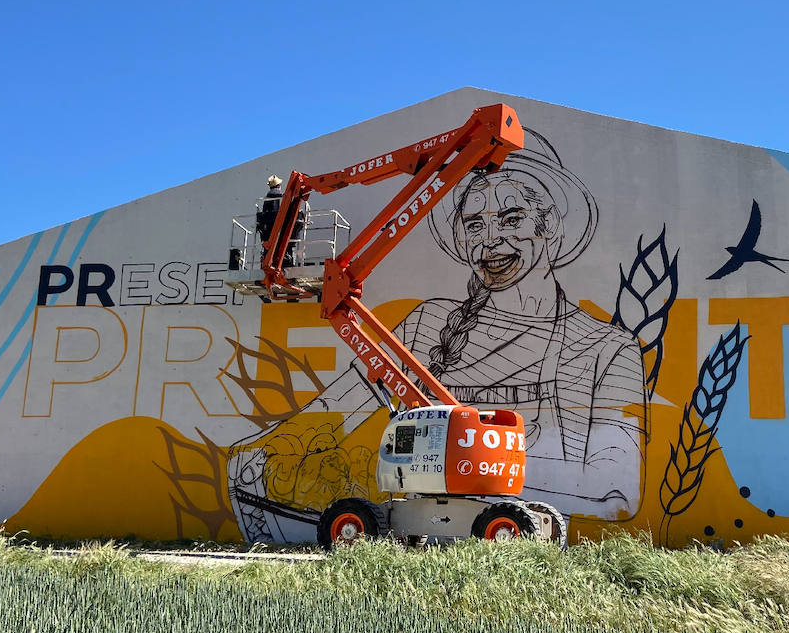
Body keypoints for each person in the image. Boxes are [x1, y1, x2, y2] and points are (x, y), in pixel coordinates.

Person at [228, 130, 647, 539]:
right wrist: (258, 454)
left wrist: (474, 473)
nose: (491, 241)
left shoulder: (606, 350)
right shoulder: (427, 323)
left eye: (512, 218)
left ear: (549, 224)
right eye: (475, 224)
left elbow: (615, 493)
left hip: (493, 506)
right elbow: (335, 407)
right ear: (461, 237)